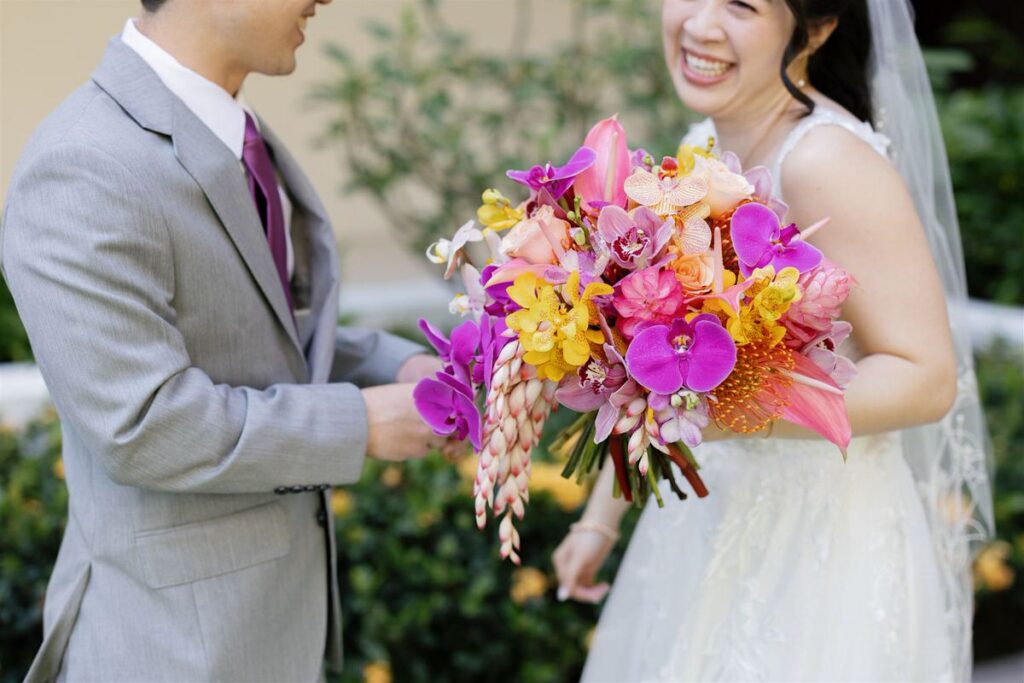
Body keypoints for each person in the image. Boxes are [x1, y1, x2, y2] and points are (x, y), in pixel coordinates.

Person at [0, 0, 448, 680]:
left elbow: (253, 330)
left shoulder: (230, 128)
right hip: (170, 650)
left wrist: (399, 362)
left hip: (268, 637)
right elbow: (147, 423)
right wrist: (362, 424)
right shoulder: (80, 165)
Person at [553, 0, 992, 680]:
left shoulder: (824, 162)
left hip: (820, 552)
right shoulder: (707, 141)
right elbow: (654, 369)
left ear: (814, 31)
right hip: (707, 525)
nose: (700, 24)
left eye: (741, 4)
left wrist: (733, 407)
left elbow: (925, 374)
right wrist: (599, 519)